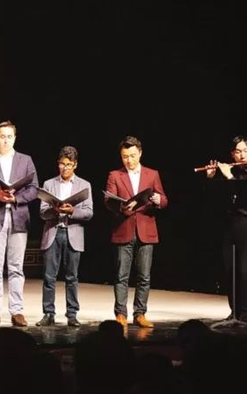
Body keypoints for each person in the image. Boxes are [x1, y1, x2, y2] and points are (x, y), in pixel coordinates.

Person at [0, 120, 38, 327]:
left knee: (16, 267)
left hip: (19, 217)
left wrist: (16, 198)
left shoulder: (25, 160)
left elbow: (34, 189)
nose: (6, 140)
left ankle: (17, 311)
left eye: (9, 136)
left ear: (15, 138)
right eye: (2, 136)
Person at [104, 136, 168, 328]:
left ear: (140, 153)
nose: (129, 160)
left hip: (146, 230)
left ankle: (140, 313)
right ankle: (120, 313)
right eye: (125, 156)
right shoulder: (115, 175)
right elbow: (108, 201)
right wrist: (121, 207)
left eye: (132, 156)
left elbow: (163, 198)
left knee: (144, 276)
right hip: (124, 229)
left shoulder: (152, 174)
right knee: (121, 276)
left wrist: (158, 200)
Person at [205, 135, 247, 322]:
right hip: (230, 224)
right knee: (230, 270)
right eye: (238, 151)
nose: (242, 155)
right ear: (232, 154)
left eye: (246, 151)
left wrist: (229, 177)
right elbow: (213, 201)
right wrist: (211, 178)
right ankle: (234, 312)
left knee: (244, 270)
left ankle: (245, 314)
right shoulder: (229, 171)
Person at [36, 146, 93, 328]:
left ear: (75, 165)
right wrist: (55, 210)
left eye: (68, 165)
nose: (64, 168)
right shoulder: (49, 184)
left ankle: (72, 314)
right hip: (53, 233)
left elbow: (89, 213)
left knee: (72, 277)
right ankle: (48, 313)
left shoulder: (84, 185)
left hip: (73, 234)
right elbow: (42, 213)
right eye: (61, 164)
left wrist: (72, 211)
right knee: (49, 277)